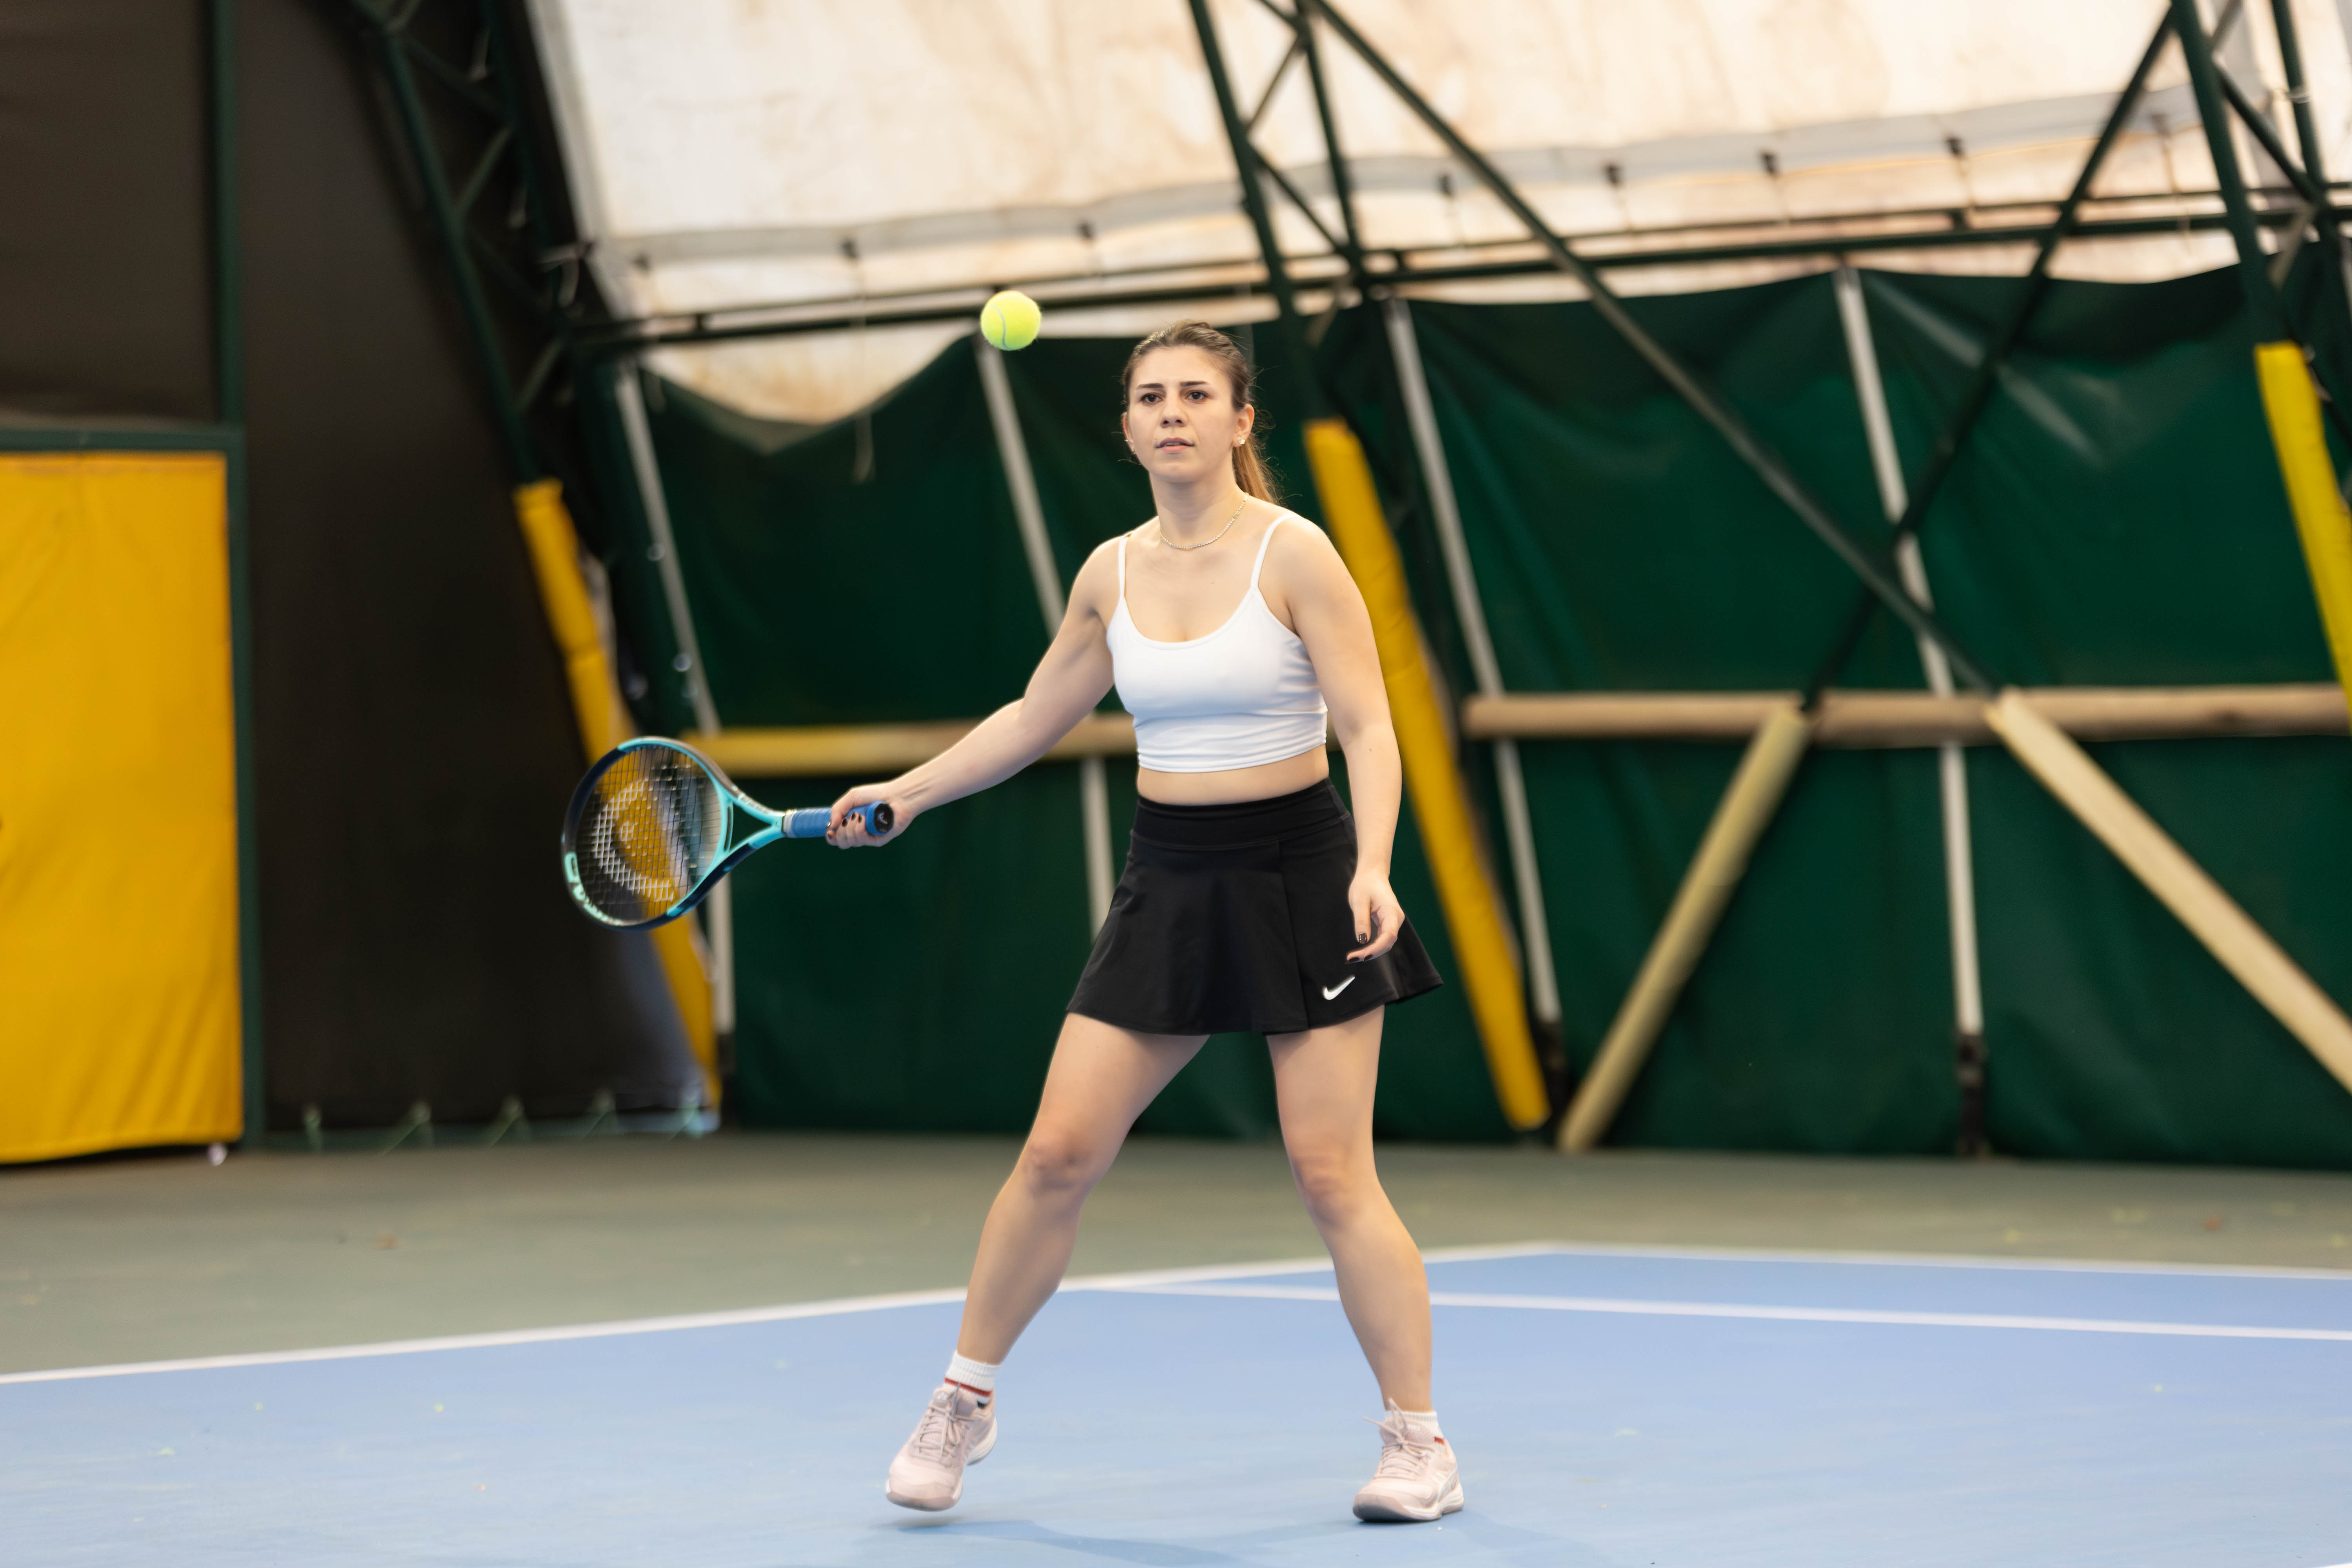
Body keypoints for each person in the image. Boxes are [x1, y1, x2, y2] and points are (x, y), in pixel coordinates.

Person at [826, 320, 1457, 1523]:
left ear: (1239, 420)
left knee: (1332, 1173)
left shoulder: (1297, 552)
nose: (1173, 413)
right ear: (1127, 428)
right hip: (1168, 878)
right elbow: (1034, 715)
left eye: (1197, 395)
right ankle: (964, 1398)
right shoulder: (1107, 574)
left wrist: (1375, 865)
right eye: (1152, 397)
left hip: (1302, 871)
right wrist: (908, 793)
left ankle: (1418, 1444)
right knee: (1057, 1154)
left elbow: (1369, 725)